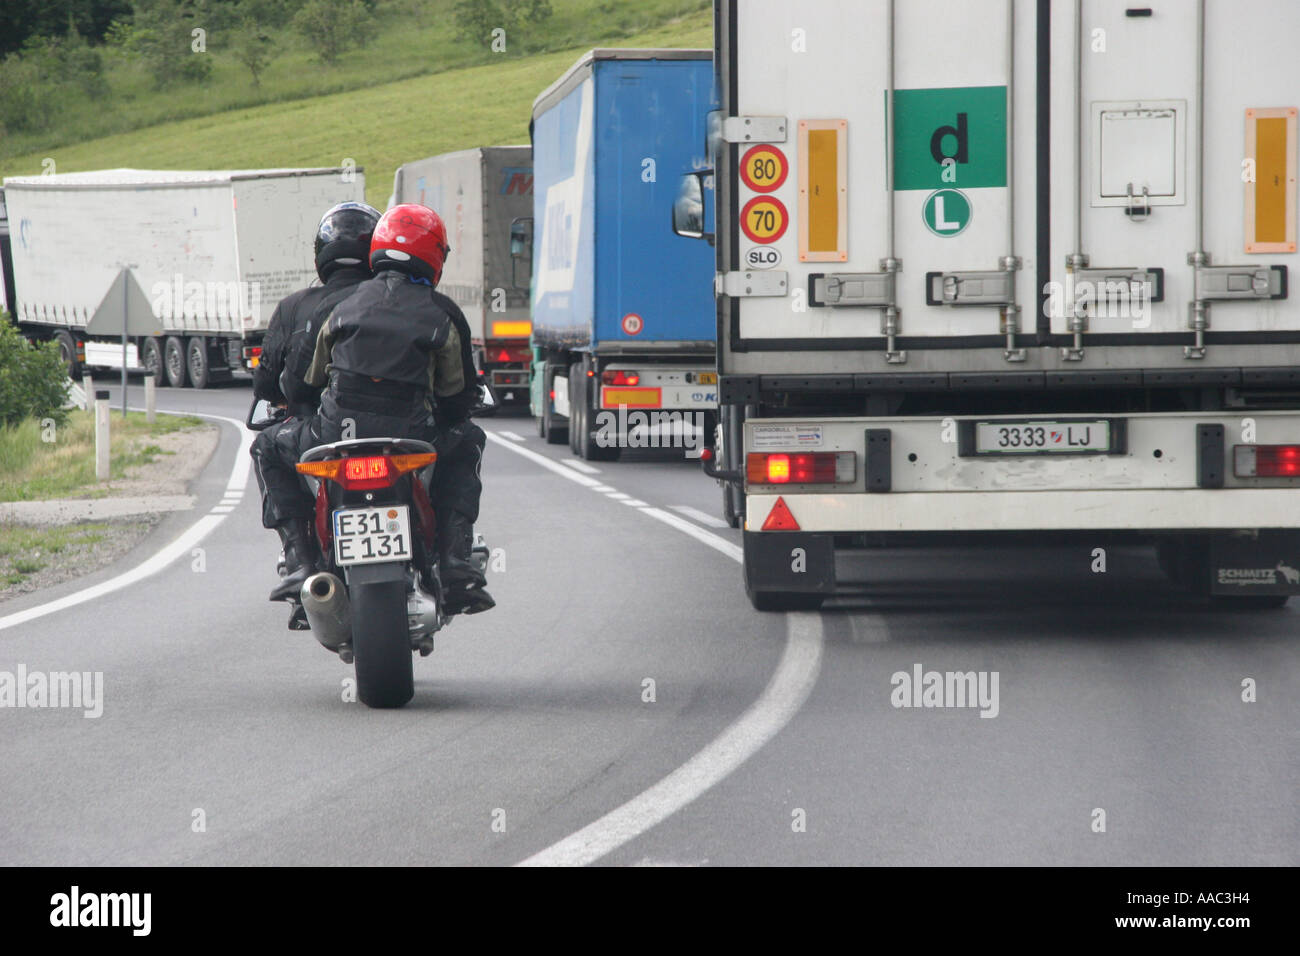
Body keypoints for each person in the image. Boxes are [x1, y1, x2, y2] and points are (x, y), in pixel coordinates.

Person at [256, 203, 494, 615]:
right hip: (412, 439)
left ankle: (298, 561)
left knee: (265, 447)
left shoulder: (339, 308)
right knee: (469, 439)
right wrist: (453, 415)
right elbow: (457, 395)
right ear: (435, 255)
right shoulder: (443, 312)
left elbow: (302, 383)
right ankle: (455, 561)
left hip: (334, 436)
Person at [250, 202, 380, 600]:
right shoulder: (400, 300)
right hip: (402, 430)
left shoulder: (294, 307)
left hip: (321, 435)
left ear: (320, 255)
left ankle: (299, 560)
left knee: (265, 448)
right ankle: (453, 552)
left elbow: (272, 383)